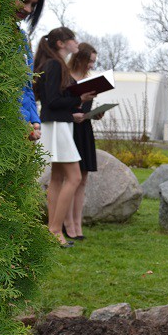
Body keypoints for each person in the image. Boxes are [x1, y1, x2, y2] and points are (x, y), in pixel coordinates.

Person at [33, 27, 96, 246]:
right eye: (73, 39)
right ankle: (54, 229)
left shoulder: (55, 65)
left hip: (60, 124)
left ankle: (53, 230)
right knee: (75, 177)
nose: (76, 43)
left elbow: (57, 99)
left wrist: (78, 102)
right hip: (57, 125)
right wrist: (78, 100)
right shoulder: (54, 64)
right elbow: (51, 101)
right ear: (61, 43)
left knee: (58, 179)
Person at [64, 43, 102, 241]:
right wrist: (73, 116)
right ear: (80, 58)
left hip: (84, 130)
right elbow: (57, 106)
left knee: (83, 179)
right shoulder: (65, 78)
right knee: (71, 178)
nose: (92, 66)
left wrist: (96, 114)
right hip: (68, 129)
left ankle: (78, 224)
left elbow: (86, 108)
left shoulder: (91, 81)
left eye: (94, 62)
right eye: (90, 61)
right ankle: (67, 223)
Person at [13, 0, 45, 141]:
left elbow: (27, 86)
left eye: (33, 5)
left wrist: (34, 121)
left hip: (23, 130)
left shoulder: (23, 39)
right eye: (24, 1)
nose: (28, 9)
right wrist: (18, 122)